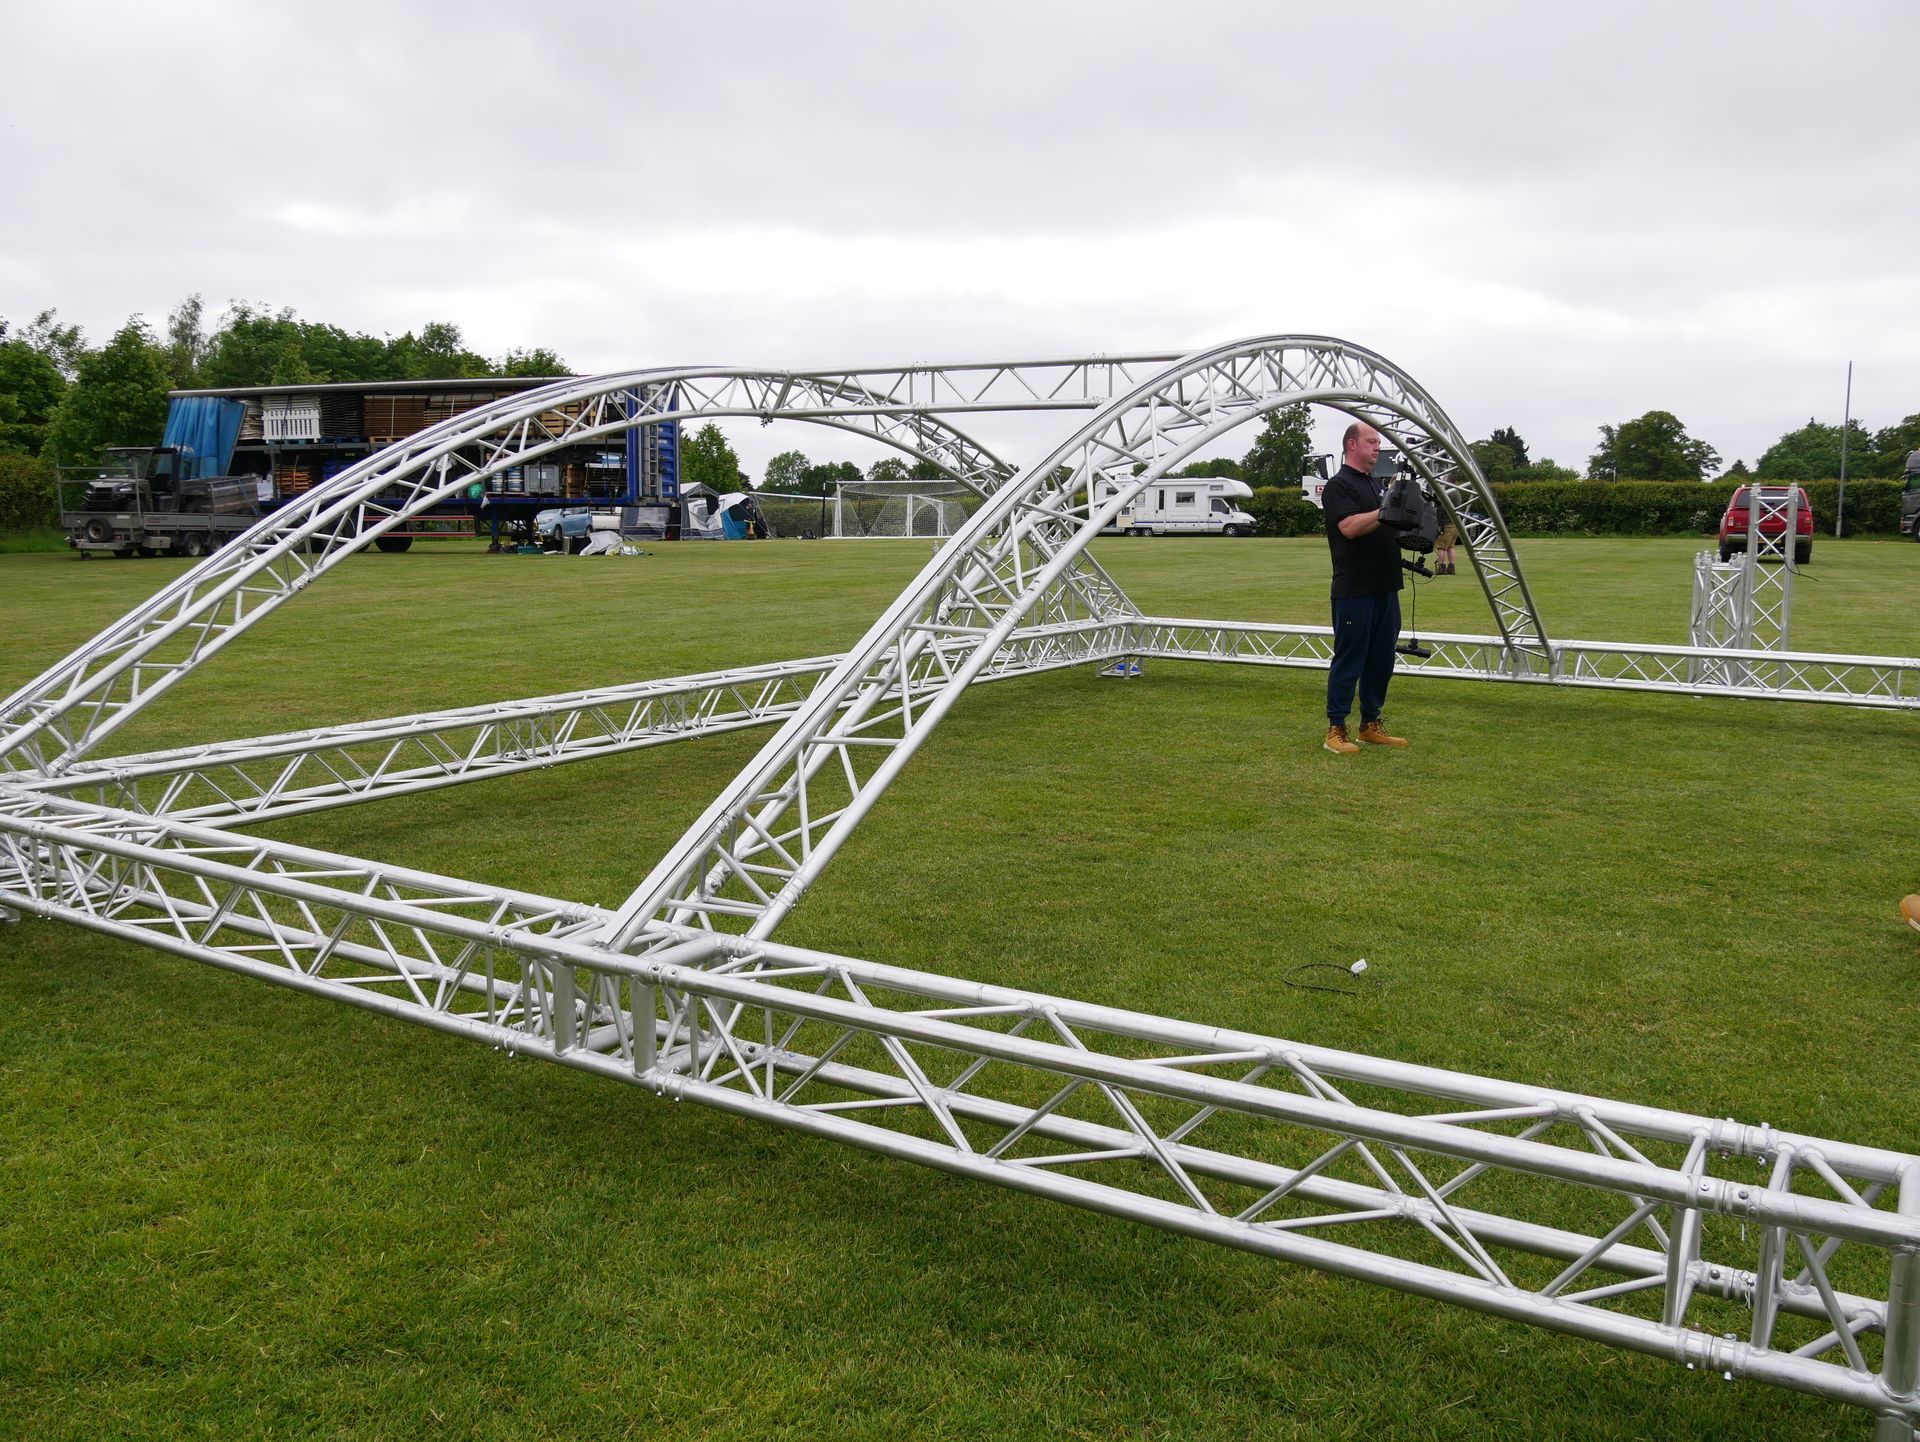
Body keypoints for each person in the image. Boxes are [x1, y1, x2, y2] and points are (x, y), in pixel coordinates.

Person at [1321, 422, 1409, 754]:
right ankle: (1335, 729)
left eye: (1379, 443)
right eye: (1372, 442)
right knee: (1350, 658)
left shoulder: (1374, 484)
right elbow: (1350, 527)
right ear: (1352, 445)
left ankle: (1370, 724)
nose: (1377, 448)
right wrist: (1387, 508)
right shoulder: (1338, 485)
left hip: (1386, 586)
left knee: (1381, 658)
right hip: (1354, 588)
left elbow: (1387, 523)